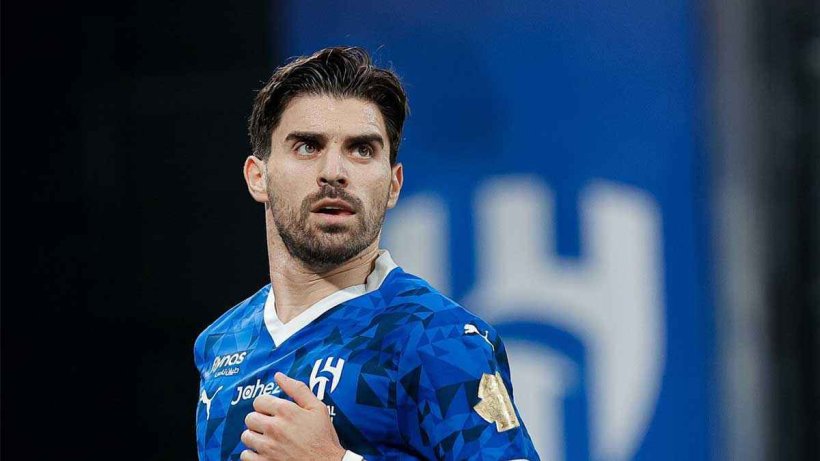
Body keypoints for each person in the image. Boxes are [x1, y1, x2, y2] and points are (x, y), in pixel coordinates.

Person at [193, 46, 539, 461]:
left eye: (361, 149)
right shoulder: (223, 343)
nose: (334, 172)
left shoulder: (438, 338)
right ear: (258, 176)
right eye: (307, 146)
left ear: (393, 184)